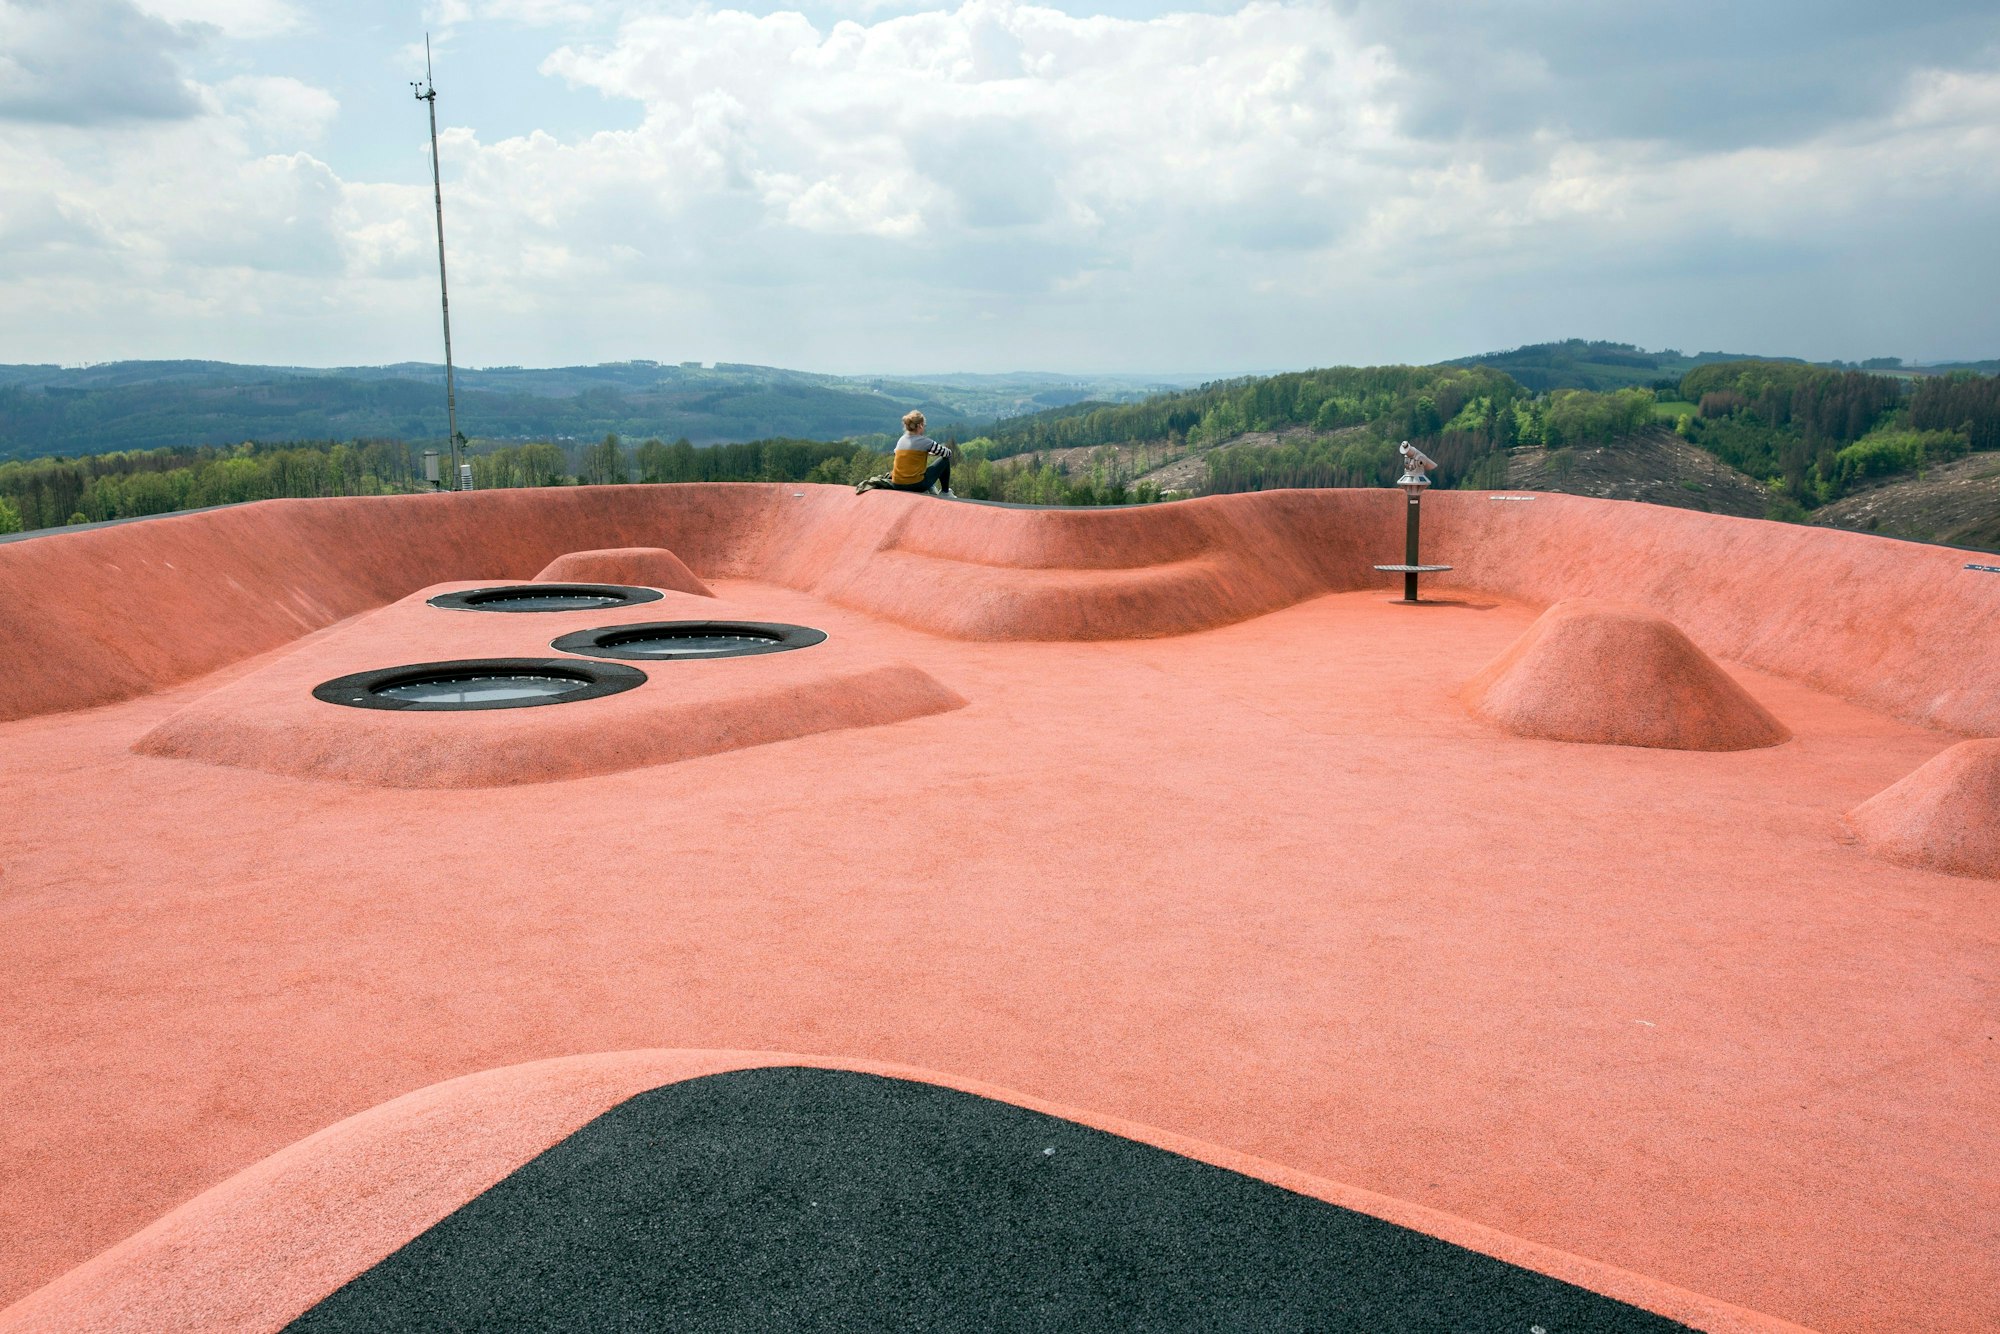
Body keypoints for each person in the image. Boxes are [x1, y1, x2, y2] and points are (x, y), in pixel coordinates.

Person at [888, 411, 955, 497]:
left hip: (896, 484)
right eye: (924, 425)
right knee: (944, 461)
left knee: (917, 465)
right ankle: (945, 492)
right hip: (915, 485)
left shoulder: (901, 440)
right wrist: (931, 452)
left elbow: (902, 455)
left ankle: (930, 486)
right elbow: (947, 453)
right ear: (920, 425)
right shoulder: (925, 441)